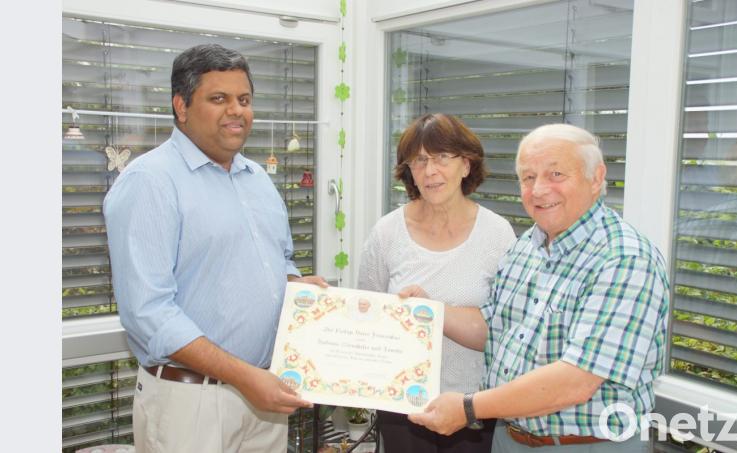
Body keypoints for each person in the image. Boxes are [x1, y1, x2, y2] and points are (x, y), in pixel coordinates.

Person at [104, 44, 327, 453]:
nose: (236, 110)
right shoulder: (149, 183)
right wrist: (245, 377)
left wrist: (296, 287)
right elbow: (149, 313)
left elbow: (280, 260)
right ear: (181, 106)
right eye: (218, 98)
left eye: (243, 99)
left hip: (264, 393)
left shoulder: (256, 178)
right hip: (190, 404)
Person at [409, 123, 670, 452]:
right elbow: (492, 328)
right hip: (510, 439)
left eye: (556, 174)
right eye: (528, 178)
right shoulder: (525, 247)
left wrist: (468, 408)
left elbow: (575, 381)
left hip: (587, 445)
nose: (539, 190)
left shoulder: (625, 260)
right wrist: (429, 311)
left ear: (596, 177)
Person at [358, 113, 516, 453]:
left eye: (443, 157)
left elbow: (506, 330)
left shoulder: (497, 234)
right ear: (409, 171)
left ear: (466, 164)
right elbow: (366, 321)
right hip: (402, 408)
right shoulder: (386, 233)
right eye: (420, 161)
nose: (430, 171)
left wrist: (432, 311)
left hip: (473, 407)